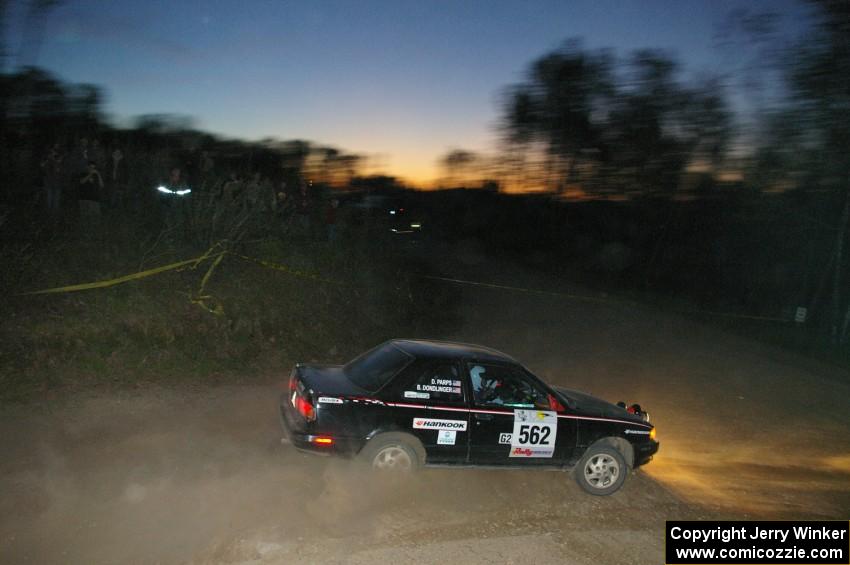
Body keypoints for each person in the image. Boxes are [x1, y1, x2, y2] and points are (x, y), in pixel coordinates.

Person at [41, 144, 64, 216]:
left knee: (55, 197)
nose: (53, 153)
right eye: (52, 152)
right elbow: (42, 167)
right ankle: (50, 212)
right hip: (50, 181)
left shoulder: (58, 159)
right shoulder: (48, 160)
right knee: (50, 196)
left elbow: (61, 170)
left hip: (56, 181)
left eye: (54, 152)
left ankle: (54, 213)